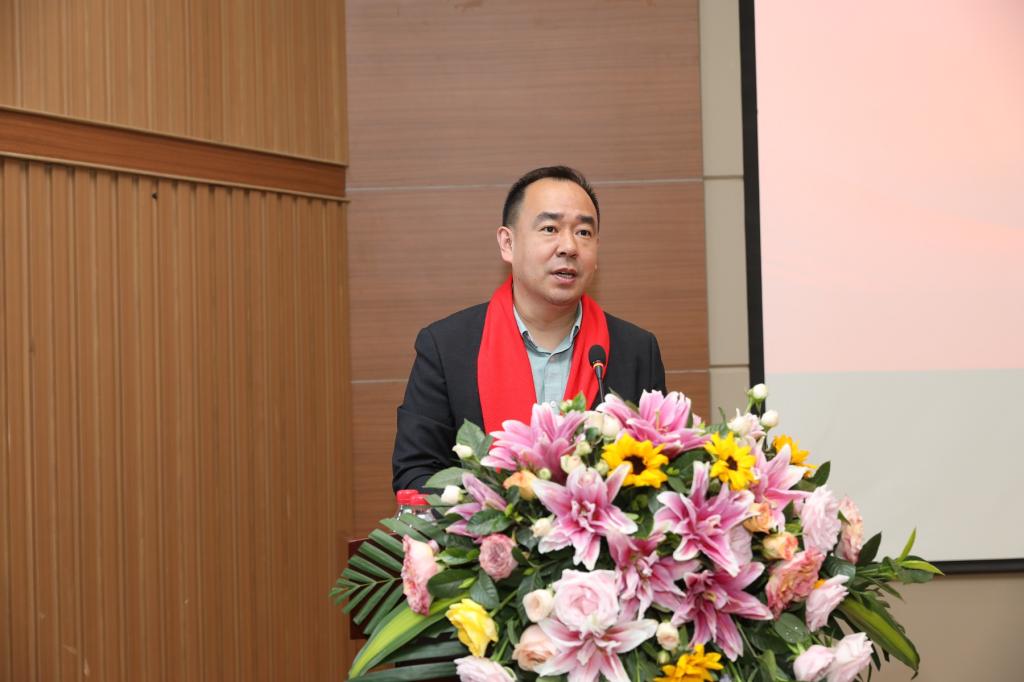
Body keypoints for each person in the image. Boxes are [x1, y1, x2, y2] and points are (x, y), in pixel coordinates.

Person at [392, 166, 667, 492]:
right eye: (550, 229)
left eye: (583, 232)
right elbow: (415, 473)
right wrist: (496, 507)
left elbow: (659, 467)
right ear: (507, 243)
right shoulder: (447, 347)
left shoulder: (637, 350)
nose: (569, 247)